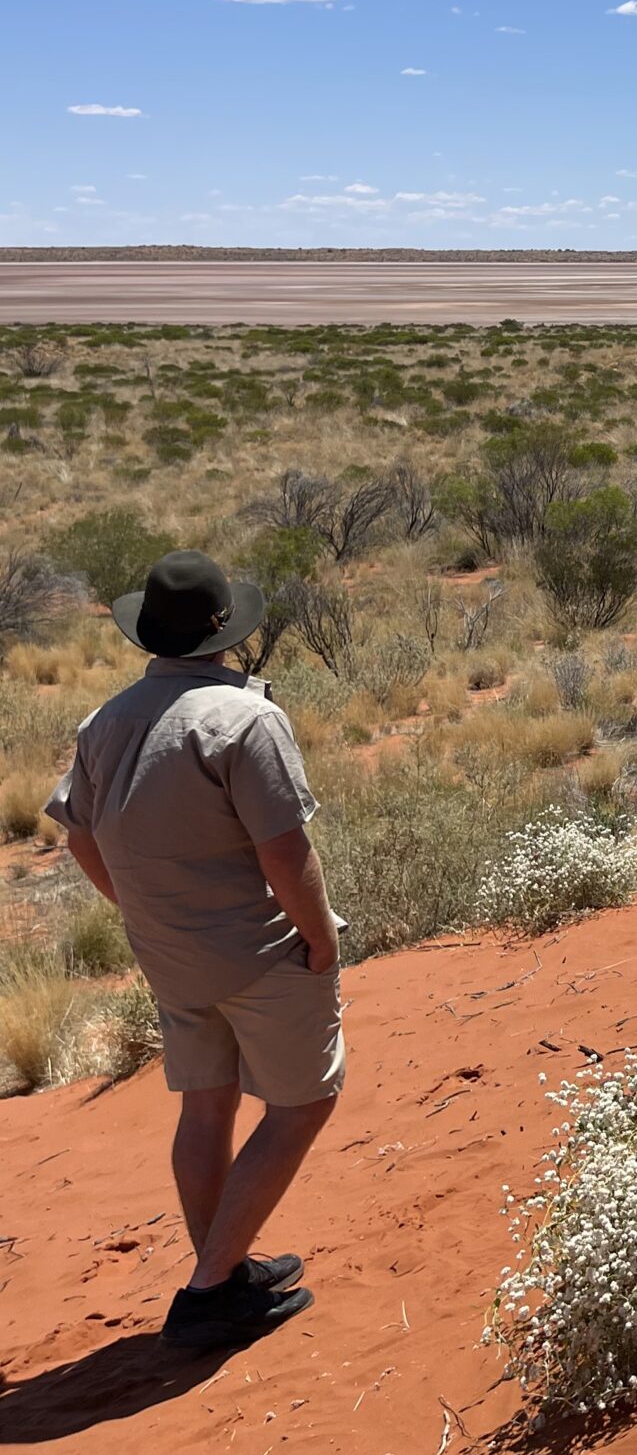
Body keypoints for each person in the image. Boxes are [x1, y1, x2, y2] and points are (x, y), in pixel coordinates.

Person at [46, 550, 341, 1351]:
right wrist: (320, 941)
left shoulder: (104, 721)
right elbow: (286, 851)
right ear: (227, 631)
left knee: (206, 1102)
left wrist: (140, 910)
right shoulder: (244, 717)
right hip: (257, 950)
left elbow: (77, 836)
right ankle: (210, 1289)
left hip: (169, 954)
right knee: (303, 1104)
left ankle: (226, 1265)